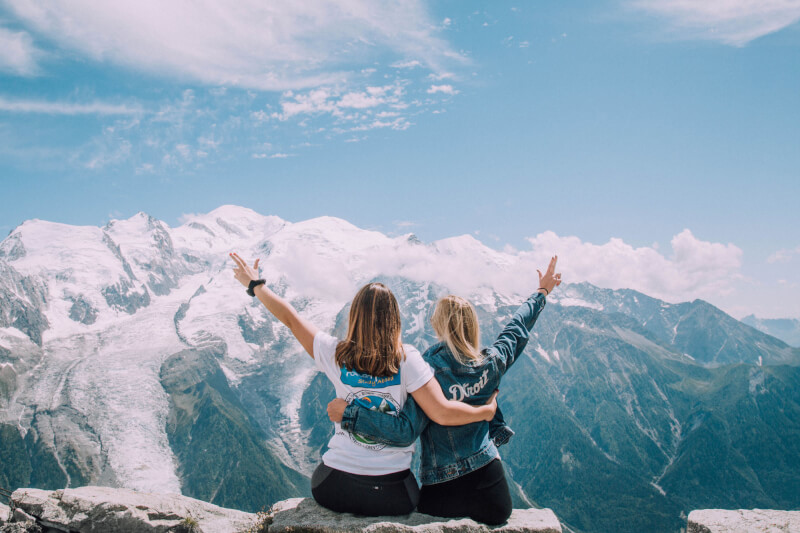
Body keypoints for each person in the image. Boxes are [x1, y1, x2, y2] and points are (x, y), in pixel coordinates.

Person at [229, 252, 497, 516]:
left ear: (354, 316)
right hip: (394, 494)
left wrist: (256, 286)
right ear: (394, 319)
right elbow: (442, 412)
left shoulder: (335, 354)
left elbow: (291, 319)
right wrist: (484, 412)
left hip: (333, 486)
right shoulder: (408, 359)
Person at [328, 256, 562, 525]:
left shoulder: (426, 371)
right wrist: (542, 292)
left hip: (441, 492)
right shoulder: (493, 362)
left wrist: (351, 415)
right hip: (492, 491)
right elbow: (516, 328)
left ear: (439, 325)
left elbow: (405, 430)